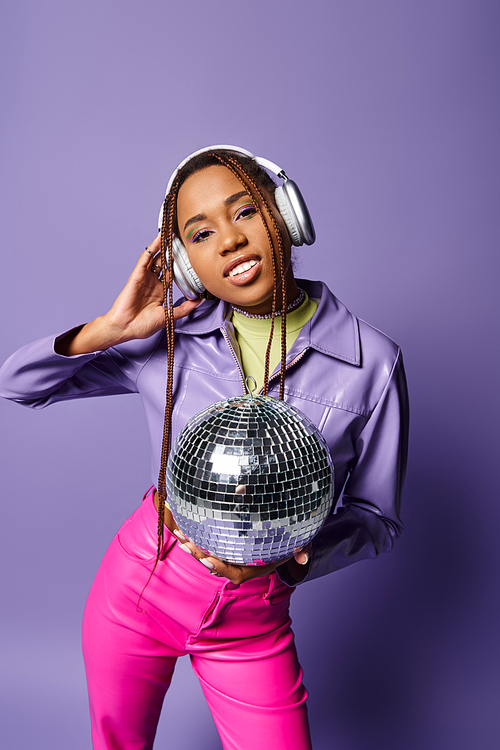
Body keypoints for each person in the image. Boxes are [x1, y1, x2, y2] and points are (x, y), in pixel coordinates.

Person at [0, 146, 409, 750]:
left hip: (252, 617)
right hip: (137, 586)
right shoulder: (167, 339)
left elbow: (377, 518)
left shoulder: (371, 361)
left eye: (244, 211)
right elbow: (18, 386)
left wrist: (292, 559)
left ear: (286, 215)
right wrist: (109, 329)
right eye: (200, 232)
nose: (229, 241)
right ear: (186, 261)